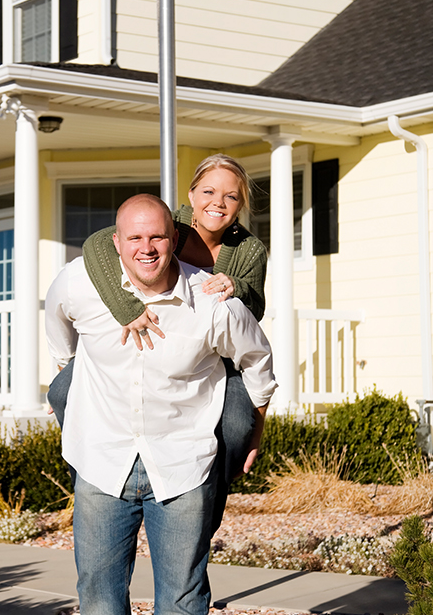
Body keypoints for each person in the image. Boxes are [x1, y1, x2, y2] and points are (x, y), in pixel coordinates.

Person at [45, 194, 276, 615]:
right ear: (115, 242)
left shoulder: (211, 305)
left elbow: (258, 362)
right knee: (98, 599)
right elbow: (58, 330)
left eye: (157, 237)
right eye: (134, 237)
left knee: (182, 601)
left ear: (175, 238)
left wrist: (256, 429)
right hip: (100, 461)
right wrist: (72, 375)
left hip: (183, 466)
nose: (146, 248)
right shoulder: (77, 281)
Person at [47, 154, 267, 530]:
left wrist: (238, 287)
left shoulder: (248, 250)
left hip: (213, 357)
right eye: (209, 191)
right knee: (61, 391)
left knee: (234, 424)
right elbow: (99, 245)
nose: (218, 202)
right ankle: (86, 478)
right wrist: (125, 307)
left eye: (231, 197)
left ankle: (208, 502)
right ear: (192, 194)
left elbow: (254, 308)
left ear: (240, 204)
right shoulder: (168, 224)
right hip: (141, 341)